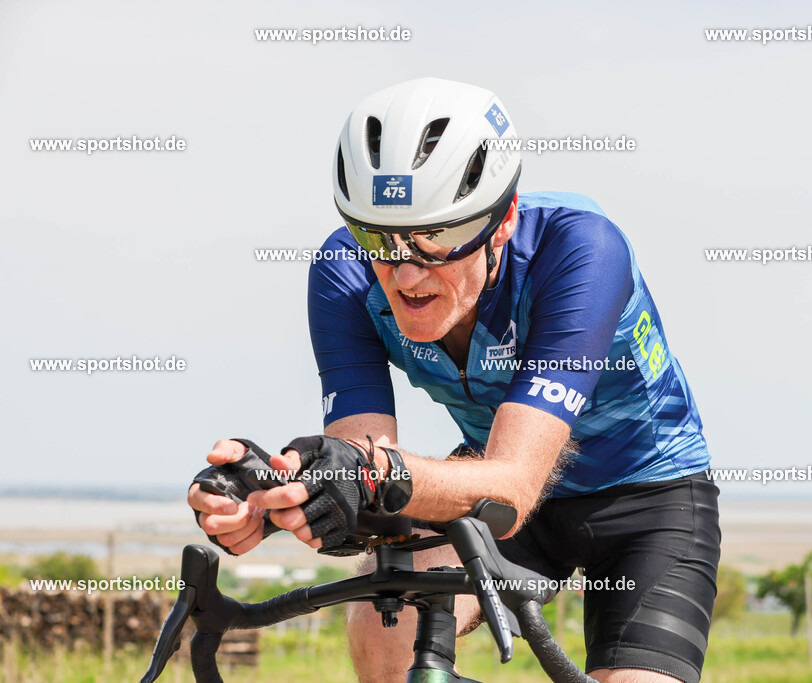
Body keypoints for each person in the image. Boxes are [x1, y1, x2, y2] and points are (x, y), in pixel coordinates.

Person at [187, 77, 721, 683]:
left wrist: (369, 475)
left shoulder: (581, 249)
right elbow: (365, 474)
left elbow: (514, 485)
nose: (404, 272)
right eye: (375, 237)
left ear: (501, 220)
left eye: (435, 237)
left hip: (645, 498)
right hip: (483, 477)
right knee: (381, 625)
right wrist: (282, 490)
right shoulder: (344, 273)